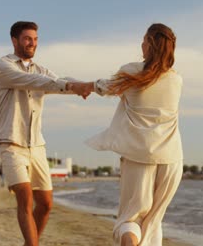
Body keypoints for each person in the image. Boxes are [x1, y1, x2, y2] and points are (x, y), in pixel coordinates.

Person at [75, 23, 183, 246]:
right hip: (172, 161)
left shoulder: (132, 72)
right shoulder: (176, 80)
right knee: (153, 222)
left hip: (140, 158)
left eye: (144, 41)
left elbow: (105, 87)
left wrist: (83, 86)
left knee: (130, 218)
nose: (141, 45)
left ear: (151, 45)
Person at [0, 21, 87, 246]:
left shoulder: (41, 70)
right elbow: (36, 82)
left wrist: (88, 85)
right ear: (14, 40)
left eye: (35, 39)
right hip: (11, 143)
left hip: (36, 146)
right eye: (27, 38)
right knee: (25, 200)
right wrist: (71, 87)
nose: (32, 43)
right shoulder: (3, 66)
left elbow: (57, 80)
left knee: (45, 205)